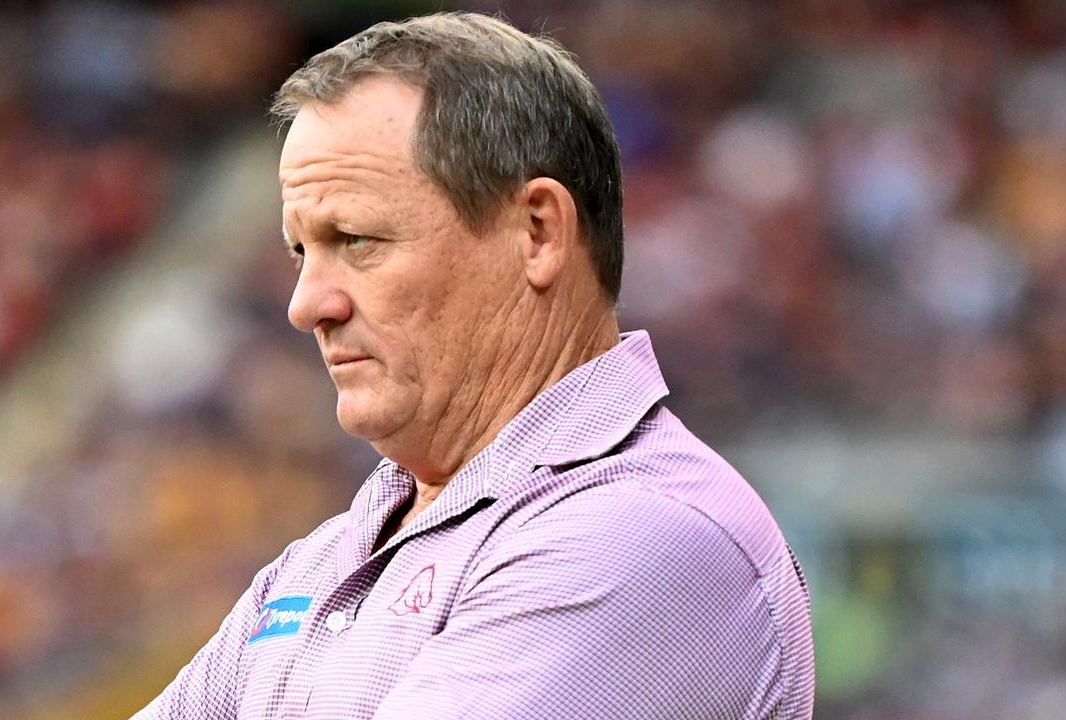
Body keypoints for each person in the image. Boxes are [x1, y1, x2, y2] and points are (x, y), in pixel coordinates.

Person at [133, 11, 814, 720]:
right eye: (302, 251)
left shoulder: (643, 537)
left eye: (357, 239)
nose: (308, 305)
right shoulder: (317, 565)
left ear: (538, 233)